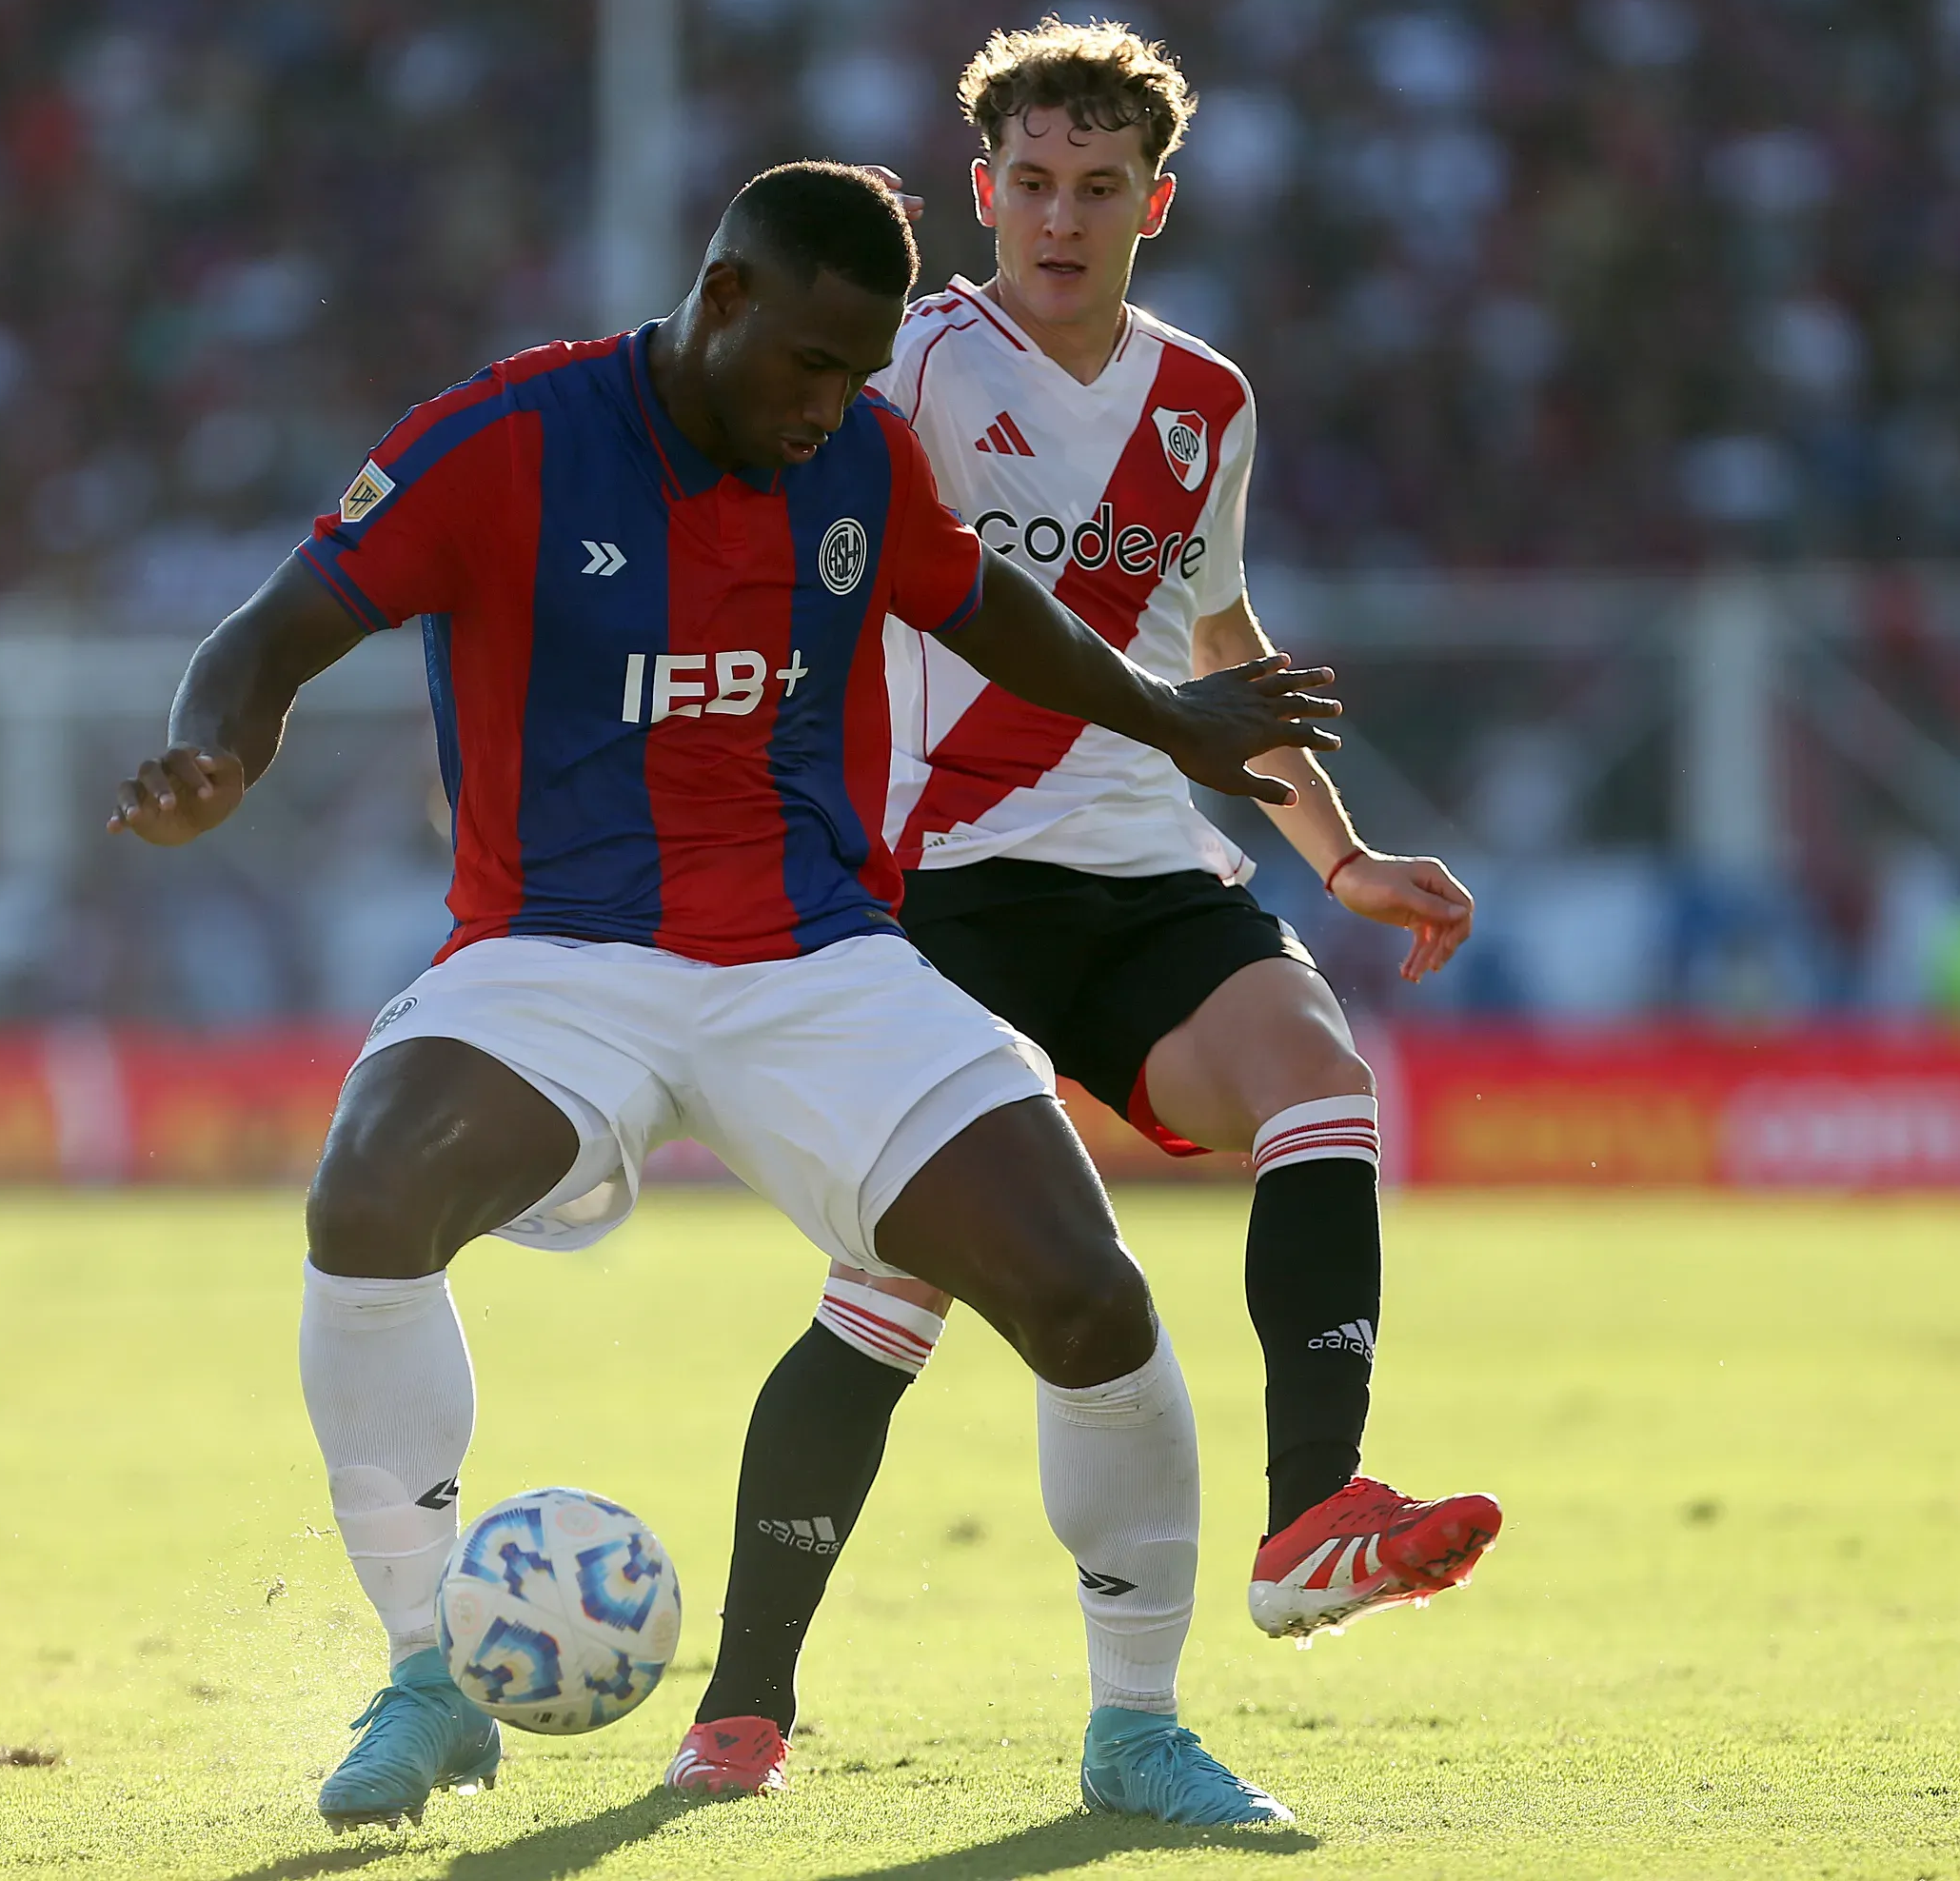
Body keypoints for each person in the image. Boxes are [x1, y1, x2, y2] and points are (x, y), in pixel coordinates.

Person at [109, 163, 1351, 1832]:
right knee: (370, 1195)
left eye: (860, 372)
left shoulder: (850, 453)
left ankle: (1138, 1736)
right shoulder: (509, 439)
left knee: (1086, 1297)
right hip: (559, 956)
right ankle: (423, 1678)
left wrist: (1172, 717)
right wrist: (217, 757)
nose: (832, 406)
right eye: (811, 365)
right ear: (724, 302)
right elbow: (270, 632)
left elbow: (985, 607)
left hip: (814, 960)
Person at [669, 24, 1502, 1800]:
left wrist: (1338, 854)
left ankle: (1309, 1524)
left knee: (1320, 1080)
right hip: (933, 890)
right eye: (1032, 184)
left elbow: (1218, 650)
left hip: (1138, 870)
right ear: (982, 194)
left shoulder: (1205, 406)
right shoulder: (897, 373)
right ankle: (742, 1709)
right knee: (893, 1300)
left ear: (1155, 204)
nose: (1061, 217)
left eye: (1098, 189)